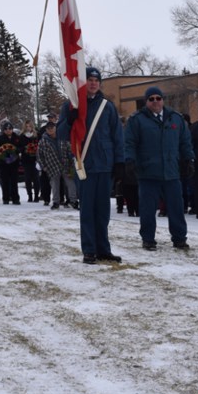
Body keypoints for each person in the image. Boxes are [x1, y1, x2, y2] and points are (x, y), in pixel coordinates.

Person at [59, 67, 124, 265]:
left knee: (103, 210)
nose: (94, 83)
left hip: (104, 164)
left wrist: (120, 161)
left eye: (97, 79)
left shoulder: (108, 106)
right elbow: (61, 135)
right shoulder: (71, 105)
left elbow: (117, 136)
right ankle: (89, 250)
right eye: (90, 79)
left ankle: (104, 249)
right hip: (83, 163)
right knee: (87, 210)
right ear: (83, 83)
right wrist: (70, 120)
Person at [124, 86, 193, 253]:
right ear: (146, 101)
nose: (155, 101)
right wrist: (129, 160)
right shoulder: (137, 120)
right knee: (148, 208)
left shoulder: (176, 119)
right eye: (151, 99)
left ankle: (179, 239)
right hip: (148, 172)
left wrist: (189, 159)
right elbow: (130, 143)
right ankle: (148, 239)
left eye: (158, 98)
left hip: (171, 171)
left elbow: (185, 142)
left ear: (163, 100)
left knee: (176, 207)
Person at [37, 122, 78, 212]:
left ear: (55, 128)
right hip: (51, 166)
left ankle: (73, 201)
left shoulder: (62, 138)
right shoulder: (43, 141)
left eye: (52, 128)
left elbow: (69, 149)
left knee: (71, 184)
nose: (50, 130)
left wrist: (72, 161)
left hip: (66, 164)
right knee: (55, 185)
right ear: (46, 130)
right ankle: (56, 202)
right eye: (48, 128)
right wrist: (44, 166)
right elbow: (40, 156)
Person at [0, 121, 21, 204]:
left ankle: (15, 198)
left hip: (14, 163)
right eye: (6, 129)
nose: (8, 130)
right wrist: (1, 160)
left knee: (14, 182)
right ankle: (6, 198)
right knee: (5, 182)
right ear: (3, 130)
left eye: (10, 129)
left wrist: (16, 155)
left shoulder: (16, 137)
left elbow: (19, 148)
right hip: (3, 164)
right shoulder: (0, 138)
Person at [16, 120, 41, 203]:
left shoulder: (36, 135)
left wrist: (34, 149)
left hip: (35, 159)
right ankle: (30, 195)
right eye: (26, 126)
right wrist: (25, 149)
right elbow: (19, 147)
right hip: (26, 159)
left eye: (29, 126)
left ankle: (36, 196)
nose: (28, 128)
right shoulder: (21, 136)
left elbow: (39, 145)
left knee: (36, 179)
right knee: (27, 179)